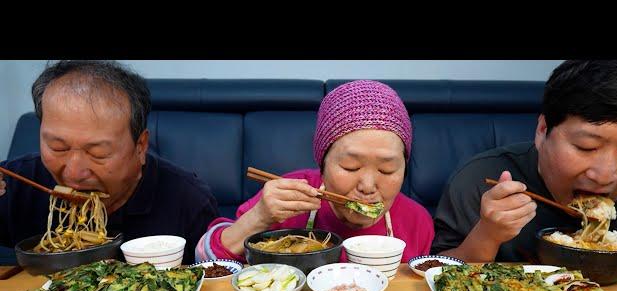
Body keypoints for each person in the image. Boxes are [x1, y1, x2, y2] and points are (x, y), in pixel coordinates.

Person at [0, 60, 219, 264]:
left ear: (140, 146)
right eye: (58, 147)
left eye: (98, 153)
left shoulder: (188, 203)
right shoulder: (12, 186)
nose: (74, 172)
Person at [196, 80, 434, 262]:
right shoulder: (288, 196)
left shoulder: (417, 222)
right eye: (350, 167)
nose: (368, 186)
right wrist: (259, 217)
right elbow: (205, 259)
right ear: (322, 164)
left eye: (387, 169)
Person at [432, 60, 617, 262]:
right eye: (586, 147)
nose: (604, 174)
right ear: (542, 130)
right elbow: (434, 271)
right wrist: (487, 234)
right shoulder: (477, 179)